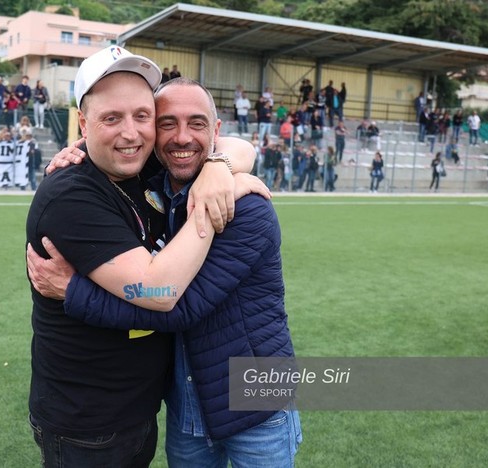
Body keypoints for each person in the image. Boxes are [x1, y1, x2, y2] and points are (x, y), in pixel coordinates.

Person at [27, 77, 301, 467]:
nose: (182, 137)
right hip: (188, 400)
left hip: (255, 404)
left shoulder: (249, 210)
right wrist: (80, 149)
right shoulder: (154, 185)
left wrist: (74, 292)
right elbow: (116, 145)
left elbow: (178, 308)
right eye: (167, 122)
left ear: (216, 131)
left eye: (197, 123)